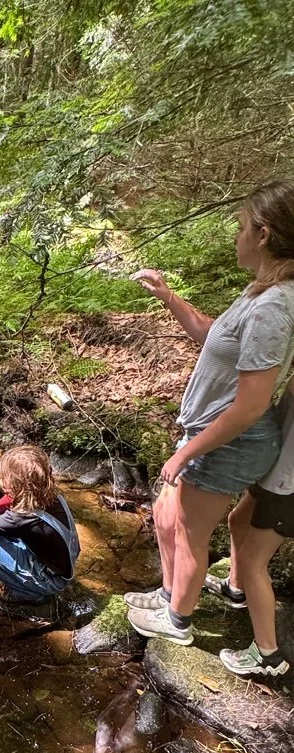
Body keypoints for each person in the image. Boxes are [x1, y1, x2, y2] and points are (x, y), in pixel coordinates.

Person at [126, 180, 294, 646]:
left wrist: (185, 454)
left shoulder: (275, 308)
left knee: (189, 529)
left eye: (241, 227)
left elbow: (251, 405)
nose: (235, 236)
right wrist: (168, 296)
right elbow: (211, 334)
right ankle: (168, 593)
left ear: (263, 235)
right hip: (212, 435)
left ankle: (178, 620)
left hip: (232, 442)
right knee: (165, 515)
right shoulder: (259, 292)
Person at [204, 376, 294, 676]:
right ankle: (236, 588)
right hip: (275, 472)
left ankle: (267, 654)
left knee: (255, 562)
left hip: (287, 487)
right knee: (237, 519)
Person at [0, 445, 80, 604]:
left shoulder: (21, 518)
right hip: (63, 567)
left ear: (16, 484)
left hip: (50, 581)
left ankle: (26, 593)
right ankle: (33, 580)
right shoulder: (54, 496)